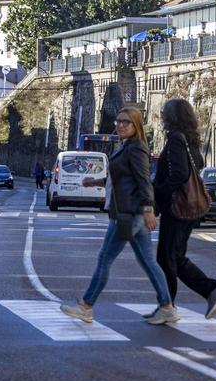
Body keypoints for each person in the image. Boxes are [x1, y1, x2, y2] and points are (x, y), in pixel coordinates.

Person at [61, 108, 178, 325]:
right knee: (148, 262)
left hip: (128, 214)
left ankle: (86, 306)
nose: (120, 125)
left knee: (105, 259)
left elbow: (143, 180)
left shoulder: (136, 149)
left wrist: (149, 209)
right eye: (118, 121)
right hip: (130, 213)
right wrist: (95, 182)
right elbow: (122, 178)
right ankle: (167, 307)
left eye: (126, 122)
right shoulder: (127, 147)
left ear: (136, 125)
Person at [154, 98, 216, 319]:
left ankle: (170, 305)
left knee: (167, 258)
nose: (162, 117)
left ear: (172, 117)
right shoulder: (191, 140)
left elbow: (178, 174)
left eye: (164, 113)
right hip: (187, 208)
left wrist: (158, 189)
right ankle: (206, 293)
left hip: (177, 208)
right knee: (174, 257)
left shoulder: (176, 140)